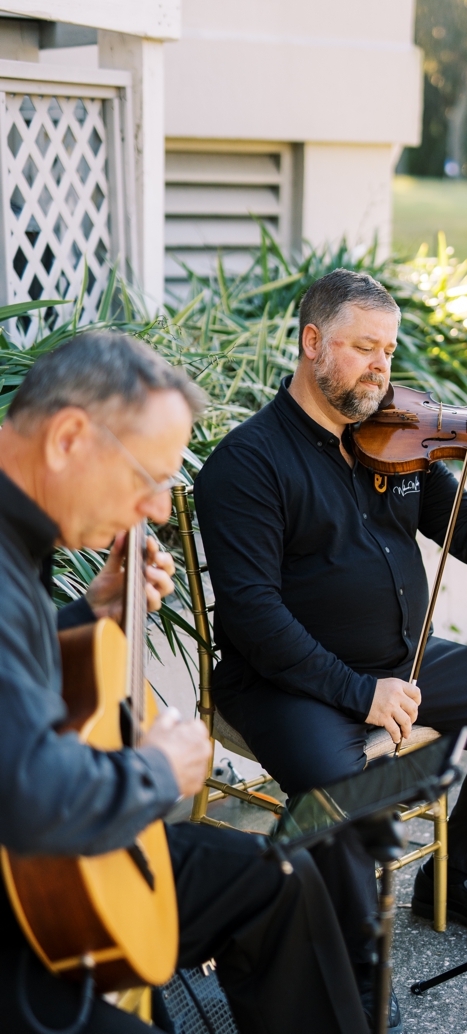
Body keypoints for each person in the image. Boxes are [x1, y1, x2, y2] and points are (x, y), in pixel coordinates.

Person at [195, 268, 467, 1017]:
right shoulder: (247, 465)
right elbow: (257, 619)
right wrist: (363, 693)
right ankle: (352, 967)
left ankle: (456, 884)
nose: (381, 368)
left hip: (404, 663)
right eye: (363, 348)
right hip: (284, 683)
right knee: (348, 788)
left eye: (388, 351)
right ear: (311, 344)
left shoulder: (397, 445)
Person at [0, 330, 366, 1034]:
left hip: (51, 848)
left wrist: (92, 612)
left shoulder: (22, 536)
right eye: (149, 477)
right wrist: (158, 770)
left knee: (276, 881)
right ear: (69, 439)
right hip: (26, 892)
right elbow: (27, 800)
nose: (162, 510)